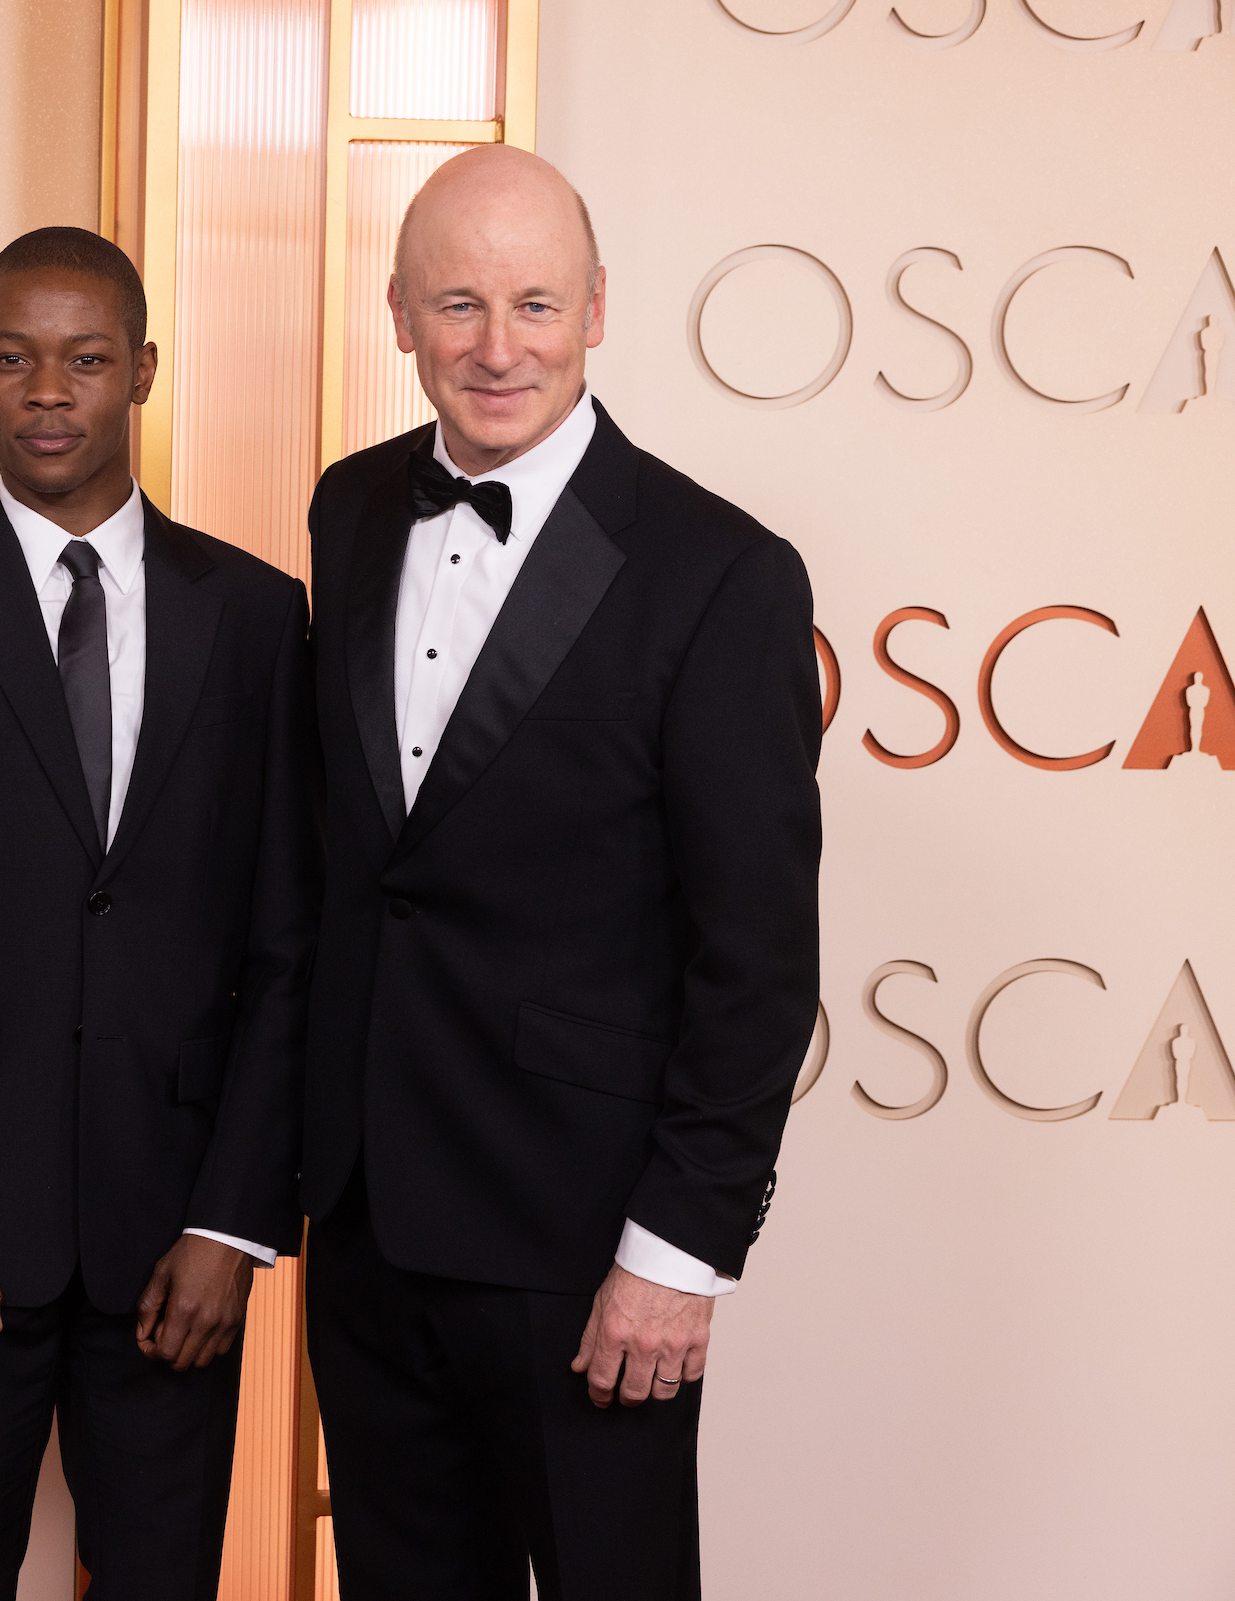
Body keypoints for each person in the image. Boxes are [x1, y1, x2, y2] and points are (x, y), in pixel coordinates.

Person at [301, 146, 822, 1600]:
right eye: (456, 303)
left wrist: (680, 1252)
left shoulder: (721, 572)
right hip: (369, 1217)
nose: (497, 347)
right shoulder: (351, 509)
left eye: (535, 304)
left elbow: (757, 957)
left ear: (596, 310)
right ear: (398, 314)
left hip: (586, 1241)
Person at [0, 227, 319, 1601]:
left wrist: (235, 1224)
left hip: (178, 1242)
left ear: (141, 371)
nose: (48, 391)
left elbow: (288, 950)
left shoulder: (257, 616)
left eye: (85, 360)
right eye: (13, 359)